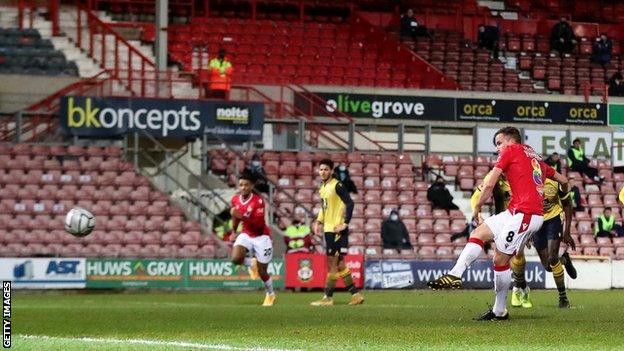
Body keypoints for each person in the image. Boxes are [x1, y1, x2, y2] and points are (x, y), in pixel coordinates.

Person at [428, 126, 568, 321]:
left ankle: (499, 310)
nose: (497, 149)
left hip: (525, 214)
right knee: (479, 233)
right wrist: (564, 192)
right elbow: (563, 179)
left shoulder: (511, 151)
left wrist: (476, 208)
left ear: (511, 141)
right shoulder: (535, 157)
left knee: (499, 260)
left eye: (499, 143)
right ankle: (454, 274)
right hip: (517, 212)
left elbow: (489, 184)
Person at [510, 176, 577, 309]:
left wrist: (567, 231)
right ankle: (564, 259)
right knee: (548, 266)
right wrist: (527, 231)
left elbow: (568, 204)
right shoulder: (527, 181)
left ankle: (563, 298)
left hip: (554, 219)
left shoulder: (555, 181)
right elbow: (524, 207)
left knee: (552, 258)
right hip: (536, 221)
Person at [311, 159, 364, 306]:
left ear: (332, 171)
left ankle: (328, 298)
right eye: (321, 169)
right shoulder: (322, 187)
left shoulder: (337, 185)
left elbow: (350, 203)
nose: (323, 172)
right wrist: (318, 221)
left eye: (326, 169)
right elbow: (324, 207)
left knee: (332, 263)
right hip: (328, 229)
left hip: (336, 230)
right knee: (339, 263)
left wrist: (345, 224)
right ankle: (355, 295)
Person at [230, 172, 276, 306]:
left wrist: (240, 215)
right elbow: (235, 217)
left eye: (246, 185)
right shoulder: (235, 199)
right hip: (246, 234)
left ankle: (270, 294)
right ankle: (251, 263)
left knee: (262, 271)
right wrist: (234, 231)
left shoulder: (258, 201)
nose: (243, 187)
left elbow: (258, 224)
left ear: (251, 186)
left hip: (261, 237)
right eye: (241, 185)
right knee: (236, 258)